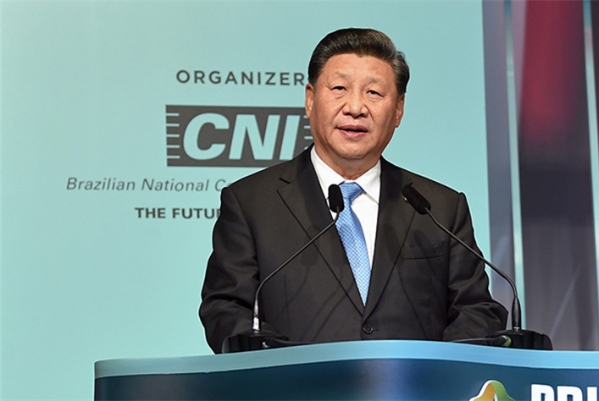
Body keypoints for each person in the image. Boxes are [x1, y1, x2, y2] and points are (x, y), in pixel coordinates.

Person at [199, 27, 507, 353]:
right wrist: (279, 367)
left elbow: (476, 310)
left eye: (374, 93)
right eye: (339, 88)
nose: (356, 107)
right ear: (310, 99)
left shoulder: (438, 208)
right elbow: (226, 309)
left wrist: (437, 370)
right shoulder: (252, 203)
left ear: (399, 109)